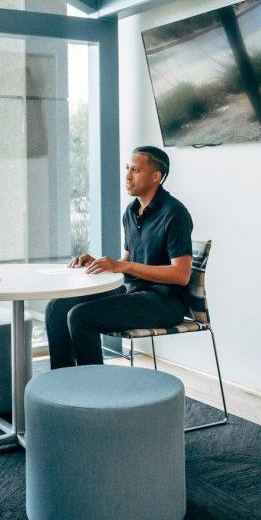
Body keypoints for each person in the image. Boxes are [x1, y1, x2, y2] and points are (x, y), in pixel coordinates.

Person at [45, 145, 193, 368]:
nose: (127, 176)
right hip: (133, 293)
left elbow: (181, 275)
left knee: (80, 316)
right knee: (57, 307)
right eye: (127, 169)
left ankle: (95, 392)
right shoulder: (131, 212)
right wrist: (101, 263)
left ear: (156, 177)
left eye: (135, 170)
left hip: (164, 302)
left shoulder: (175, 213)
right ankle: (61, 384)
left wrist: (124, 267)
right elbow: (127, 262)